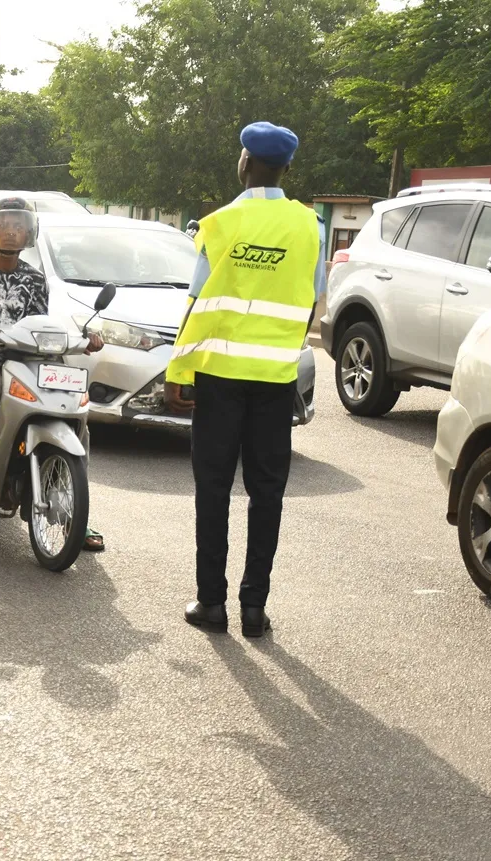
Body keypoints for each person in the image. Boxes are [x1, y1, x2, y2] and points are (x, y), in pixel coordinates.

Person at [166, 121, 325, 638]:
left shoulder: (218, 224)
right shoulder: (309, 226)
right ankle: (254, 608)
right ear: (285, 169)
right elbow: (309, 305)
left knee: (213, 489)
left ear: (247, 162)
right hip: (276, 380)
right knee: (268, 492)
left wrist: (177, 372)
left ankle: (211, 604)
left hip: (219, 379)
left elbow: (197, 305)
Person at [0, 197, 107, 553]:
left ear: (30, 232)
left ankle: (73, 503)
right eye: (4, 225)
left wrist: (82, 340)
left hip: (28, 358)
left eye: (19, 226)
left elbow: (40, 325)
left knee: (72, 401)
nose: (11, 232)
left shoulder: (35, 277)